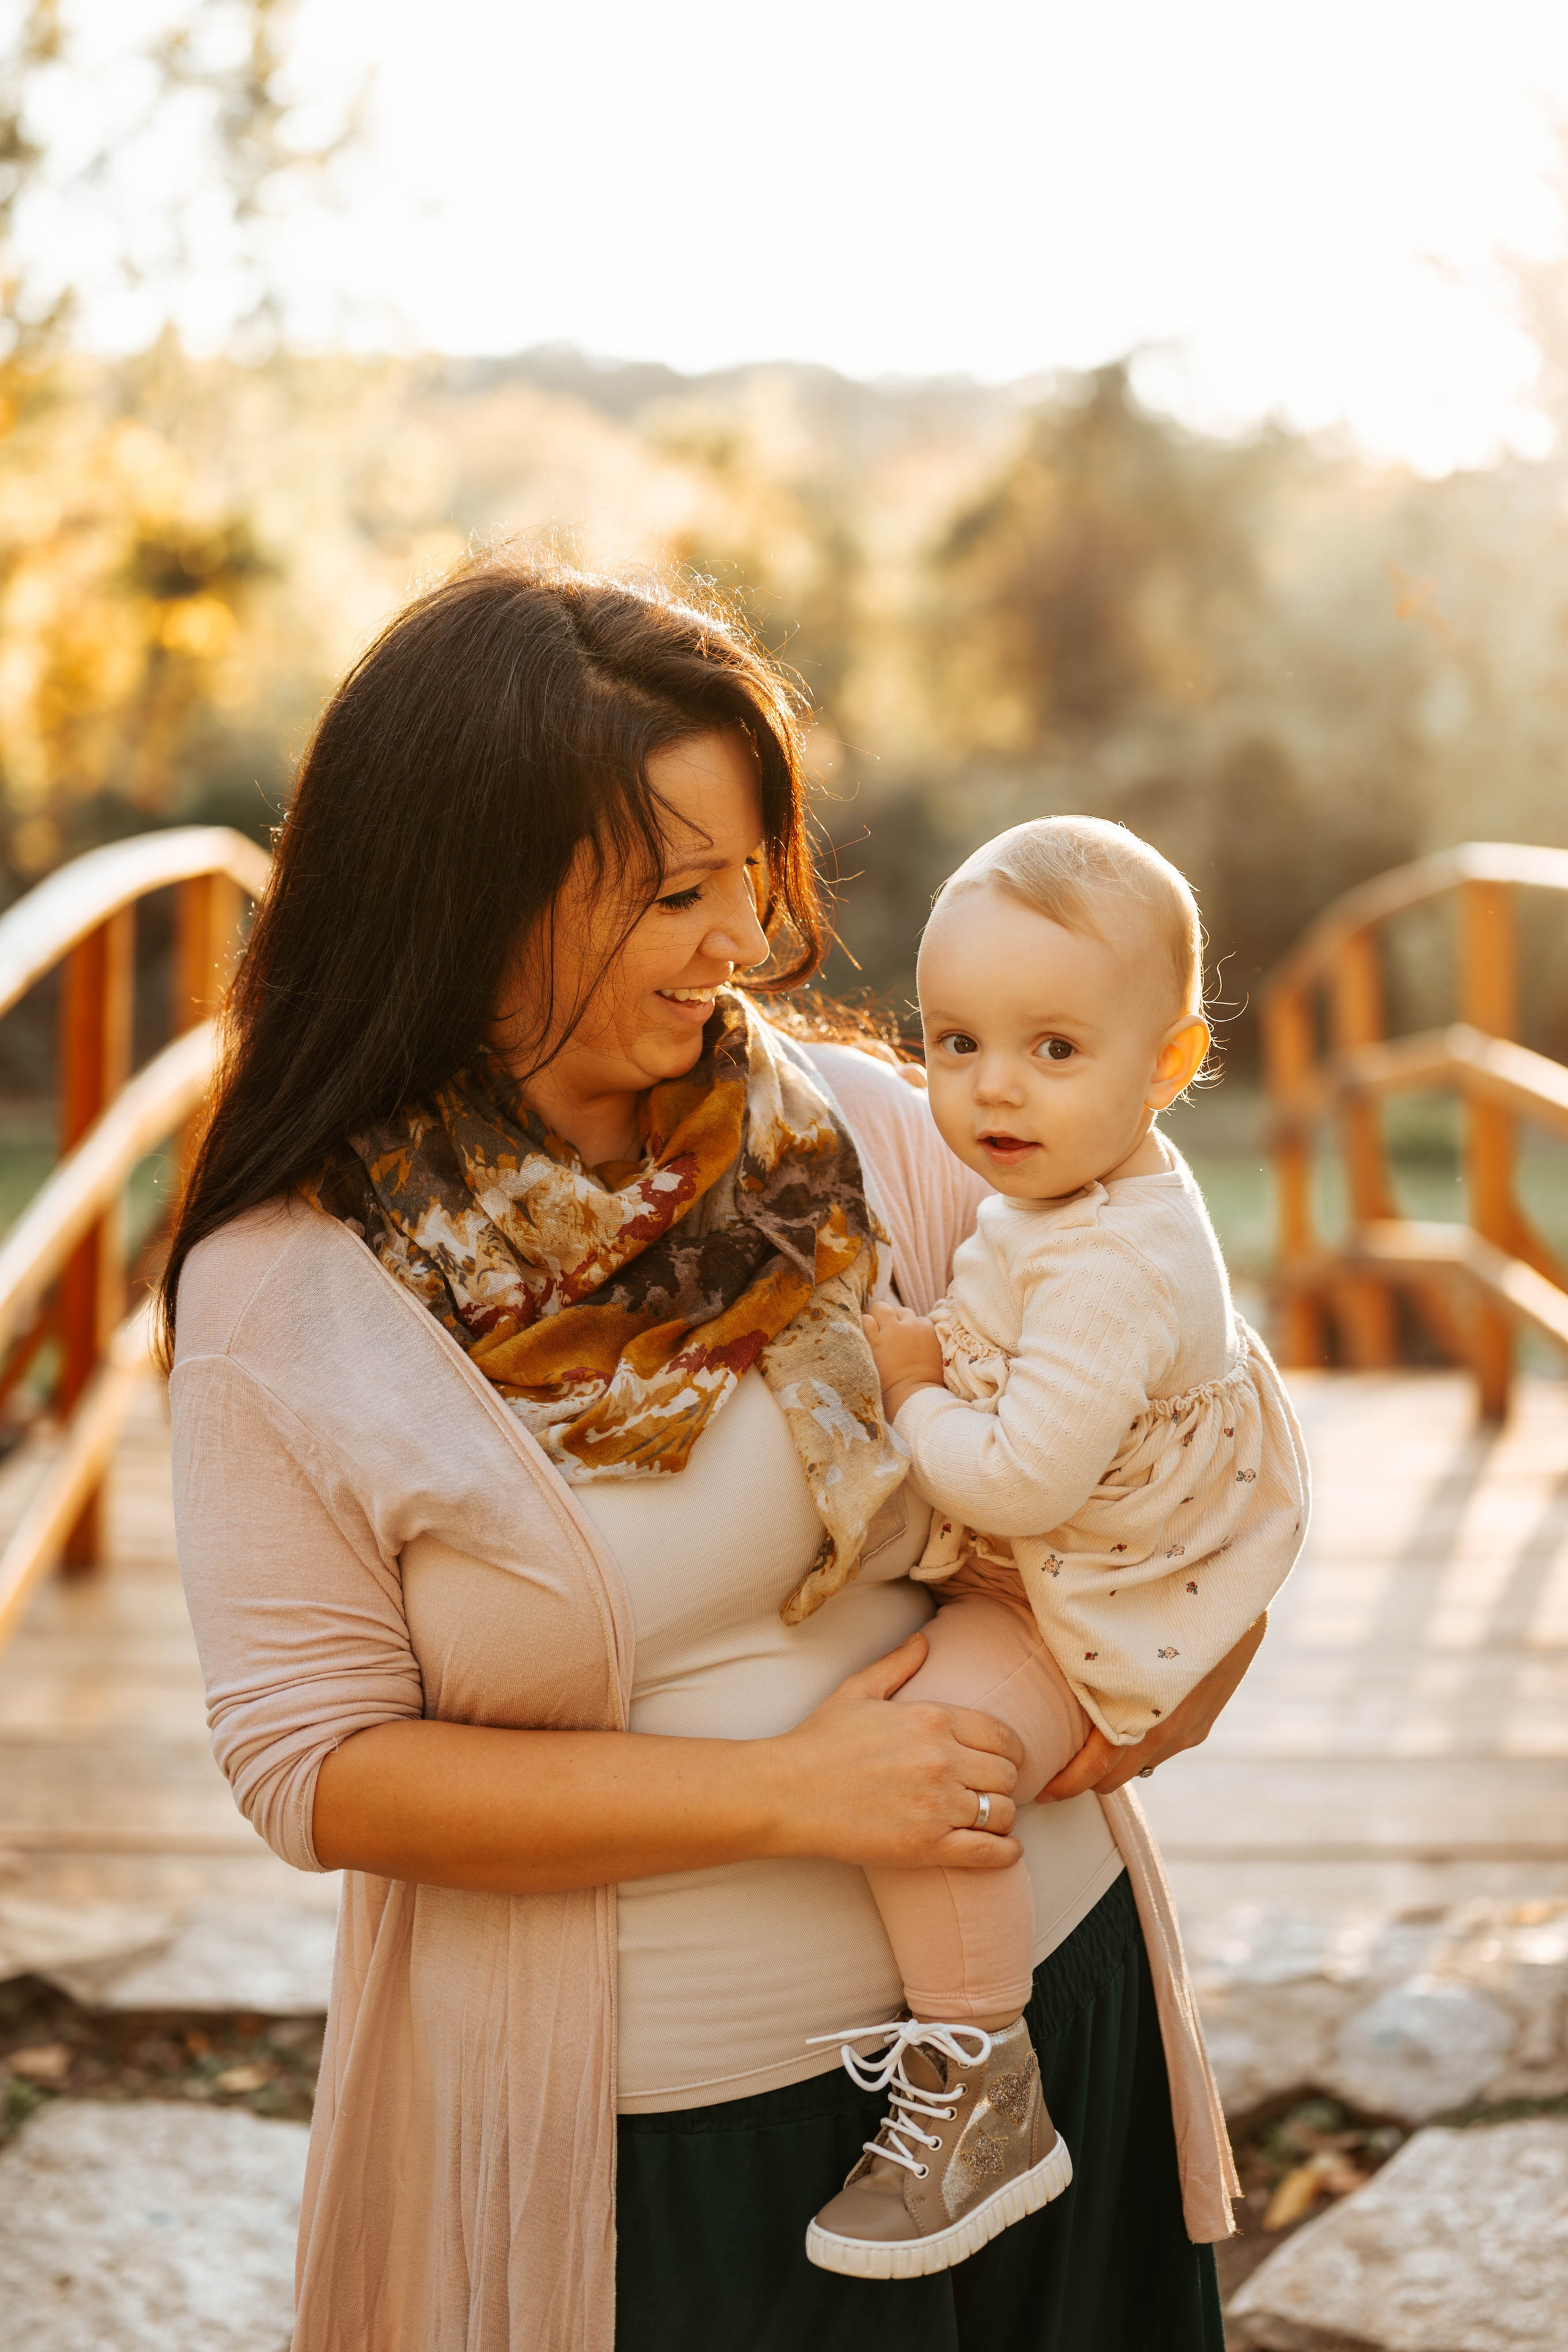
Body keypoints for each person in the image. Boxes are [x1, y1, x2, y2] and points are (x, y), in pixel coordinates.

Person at [163, 554, 1257, 2352]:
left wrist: (1184, 1648)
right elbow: (318, 1770)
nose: (740, 945)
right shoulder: (291, 1297)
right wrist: (794, 1797)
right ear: (475, 898)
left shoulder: (872, 1131)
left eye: (746, 879)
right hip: (672, 2159)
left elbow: (1171, 1406)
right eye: (675, 895)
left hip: (1057, 2033)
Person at [802, 819, 1309, 2280]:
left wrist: (905, 1383)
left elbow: (1022, 1484)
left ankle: (980, 2078)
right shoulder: (1076, 1193)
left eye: (1051, 1050)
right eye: (952, 1043)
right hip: (1071, 1549)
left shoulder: (1101, 1263)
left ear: (1168, 1063)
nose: (988, 1090)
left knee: (930, 1757)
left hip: (1079, 1585)